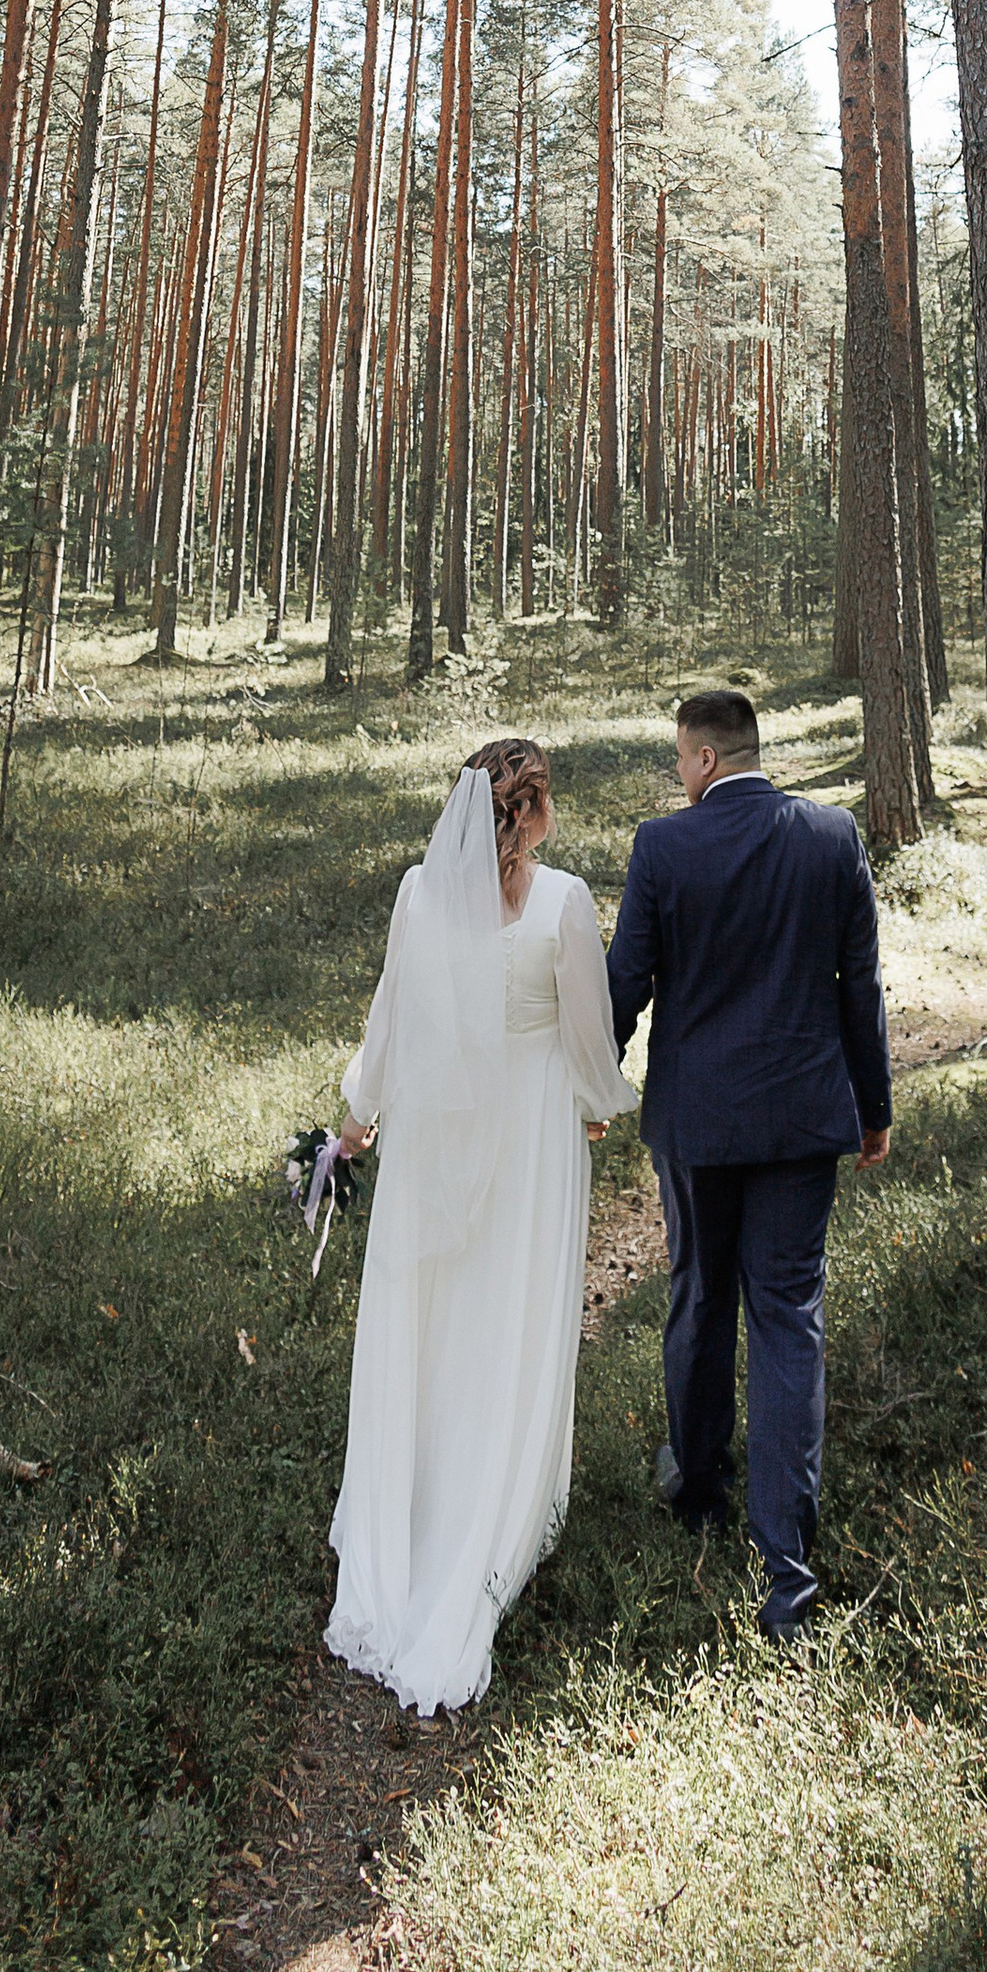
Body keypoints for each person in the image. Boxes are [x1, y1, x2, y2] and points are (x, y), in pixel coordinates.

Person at [326, 735, 637, 1715]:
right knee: (509, 1315)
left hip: (432, 1137)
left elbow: (390, 1014)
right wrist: (599, 1097)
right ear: (535, 810)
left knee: (436, 1314)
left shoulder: (420, 892)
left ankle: (411, 1514)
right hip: (535, 1131)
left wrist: (359, 1110)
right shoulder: (564, 901)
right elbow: (589, 1033)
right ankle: (490, 1518)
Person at [606, 682, 891, 1640]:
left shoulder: (664, 846)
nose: (680, 775)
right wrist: (873, 1110)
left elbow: (624, 986)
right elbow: (862, 986)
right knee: (787, 1320)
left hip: (696, 1124)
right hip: (804, 1122)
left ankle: (696, 1484)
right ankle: (789, 1573)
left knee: (699, 1293)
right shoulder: (831, 836)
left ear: (704, 758)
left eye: (682, 758)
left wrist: (587, 1095)